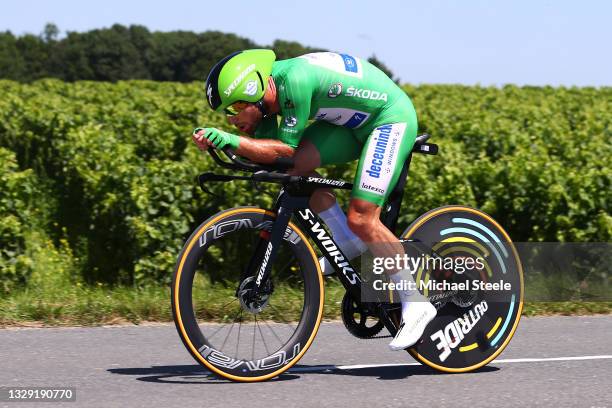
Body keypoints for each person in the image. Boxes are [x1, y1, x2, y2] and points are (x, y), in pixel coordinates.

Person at [193, 49, 436, 350]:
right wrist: (223, 145)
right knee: (294, 172)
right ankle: (346, 238)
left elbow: (283, 148)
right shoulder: (267, 102)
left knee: (362, 217)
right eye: (226, 114)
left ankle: (415, 302)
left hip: (388, 118)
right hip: (350, 125)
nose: (232, 120)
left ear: (253, 93)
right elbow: (270, 158)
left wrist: (231, 141)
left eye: (235, 108)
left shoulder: (294, 81)